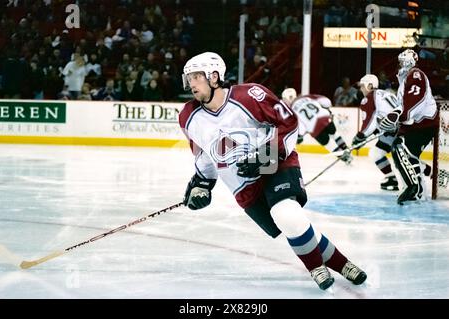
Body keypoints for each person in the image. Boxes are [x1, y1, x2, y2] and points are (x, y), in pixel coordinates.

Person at [179, 52, 367, 290]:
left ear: (214, 76)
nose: (191, 83)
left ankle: (316, 268)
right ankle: (344, 264)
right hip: (242, 185)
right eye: (189, 77)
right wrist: (202, 184)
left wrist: (265, 156)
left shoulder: (249, 95)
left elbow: (289, 124)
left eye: (197, 76)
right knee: (291, 225)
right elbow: (203, 154)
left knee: (286, 213)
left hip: (274, 164)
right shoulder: (188, 116)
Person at [379, 49, 438, 204]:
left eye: (401, 61)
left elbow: (416, 99)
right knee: (407, 154)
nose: (399, 65)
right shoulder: (405, 80)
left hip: (424, 123)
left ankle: (413, 187)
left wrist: (402, 115)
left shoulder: (415, 74)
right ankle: (418, 192)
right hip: (415, 125)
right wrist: (395, 119)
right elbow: (403, 106)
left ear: (408, 61)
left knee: (399, 147)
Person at [281, 88, 352, 164]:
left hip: (314, 128)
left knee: (329, 144)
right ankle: (346, 149)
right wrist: (327, 110)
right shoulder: (305, 97)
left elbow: (301, 127)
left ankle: (346, 158)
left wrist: (300, 136)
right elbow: (326, 101)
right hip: (324, 117)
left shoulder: (291, 111)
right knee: (334, 134)